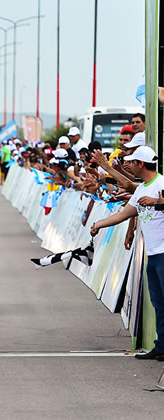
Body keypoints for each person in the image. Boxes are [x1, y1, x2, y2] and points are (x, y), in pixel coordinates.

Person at [90, 146, 164, 360]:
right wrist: (99, 224)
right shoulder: (142, 189)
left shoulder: (161, 184)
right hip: (154, 255)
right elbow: (124, 214)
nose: (128, 164)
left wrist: (158, 205)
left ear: (141, 164)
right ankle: (161, 346)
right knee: (159, 303)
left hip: (163, 254)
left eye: (132, 162)